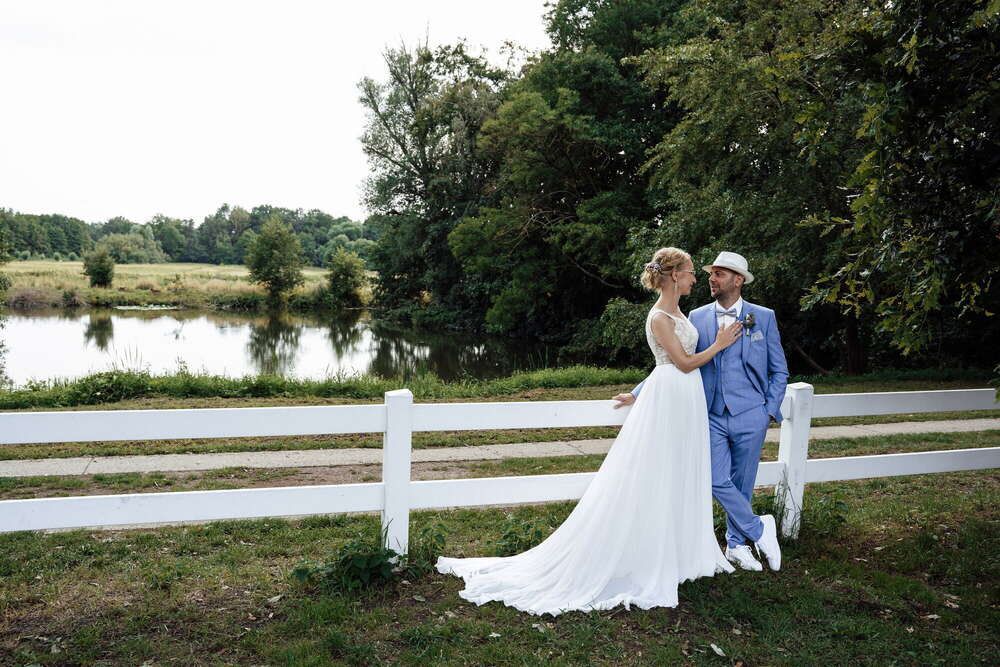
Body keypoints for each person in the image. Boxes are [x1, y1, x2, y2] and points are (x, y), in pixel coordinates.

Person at [436, 247, 744, 616]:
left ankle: (679, 552)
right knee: (655, 472)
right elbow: (680, 363)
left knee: (679, 471)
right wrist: (720, 344)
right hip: (674, 393)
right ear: (674, 275)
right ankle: (648, 555)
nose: (696, 278)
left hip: (682, 396)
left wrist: (635, 390)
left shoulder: (679, 311)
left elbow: (668, 366)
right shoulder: (660, 316)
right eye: (692, 271)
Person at [613, 251, 788, 572]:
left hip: (752, 413)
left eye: (719, 273)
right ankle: (759, 528)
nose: (710, 277)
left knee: (743, 481)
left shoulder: (763, 316)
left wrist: (768, 411)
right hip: (708, 412)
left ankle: (737, 545)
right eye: (709, 273)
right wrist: (637, 393)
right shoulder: (696, 316)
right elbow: (674, 358)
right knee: (715, 478)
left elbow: (779, 370)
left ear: (738, 280)